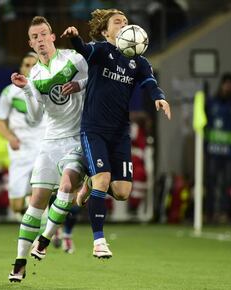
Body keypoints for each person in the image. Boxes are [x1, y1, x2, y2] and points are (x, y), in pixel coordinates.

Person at [60, 8, 171, 258]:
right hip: (94, 129)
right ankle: (99, 241)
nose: (123, 24)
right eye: (117, 22)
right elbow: (84, 50)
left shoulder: (139, 62)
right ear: (105, 31)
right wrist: (74, 38)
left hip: (120, 132)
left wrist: (160, 99)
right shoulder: (101, 50)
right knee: (103, 180)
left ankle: (90, 181)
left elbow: (151, 84)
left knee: (121, 192)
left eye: (126, 21)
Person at [8, 16, 88, 282]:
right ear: (30, 42)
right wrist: (28, 89)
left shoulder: (74, 59)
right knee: (36, 203)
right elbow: (33, 117)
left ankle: (43, 240)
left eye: (44, 34)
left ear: (53, 37)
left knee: (66, 186)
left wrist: (80, 85)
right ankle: (19, 262)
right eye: (35, 37)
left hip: (76, 138)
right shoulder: (36, 74)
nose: (40, 40)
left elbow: (95, 82)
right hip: (50, 140)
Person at [0, 52, 46, 222]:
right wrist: (10, 137)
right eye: (26, 65)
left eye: (33, 64)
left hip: (43, 146)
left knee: (45, 190)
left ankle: (47, 228)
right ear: (21, 68)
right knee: (16, 206)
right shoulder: (9, 92)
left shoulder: (48, 88)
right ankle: (40, 221)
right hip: (21, 149)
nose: (29, 68)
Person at [204, 72, 231, 224]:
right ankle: (208, 213)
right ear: (221, 84)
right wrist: (206, 146)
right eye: (225, 83)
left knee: (227, 185)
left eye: (230, 84)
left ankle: (224, 213)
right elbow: (204, 125)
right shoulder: (211, 103)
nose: (228, 86)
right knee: (211, 182)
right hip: (213, 151)